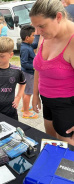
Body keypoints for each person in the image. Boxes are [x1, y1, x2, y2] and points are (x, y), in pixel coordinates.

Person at [30, 0, 74, 145]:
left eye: (41, 26)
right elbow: (39, 67)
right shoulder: (46, 34)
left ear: (59, 17)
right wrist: (35, 94)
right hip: (47, 100)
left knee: (66, 151)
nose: (37, 32)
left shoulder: (72, 41)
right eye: (35, 27)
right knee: (51, 141)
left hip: (67, 104)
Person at [20, 25, 38, 119]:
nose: (34, 37)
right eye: (33, 36)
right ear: (27, 38)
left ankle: (24, 107)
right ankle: (26, 112)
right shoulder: (25, 49)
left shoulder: (27, 45)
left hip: (27, 73)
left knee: (25, 91)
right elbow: (24, 63)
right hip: (28, 73)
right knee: (28, 93)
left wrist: (40, 41)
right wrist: (35, 67)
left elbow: (34, 45)